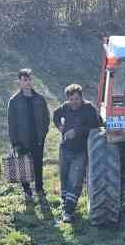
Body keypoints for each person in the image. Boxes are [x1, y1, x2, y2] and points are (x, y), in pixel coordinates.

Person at [51, 83, 103, 222]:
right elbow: (55, 115)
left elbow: (96, 125)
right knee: (64, 177)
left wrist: (77, 131)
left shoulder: (89, 109)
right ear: (67, 99)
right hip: (65, 148)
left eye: (76, 99)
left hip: (81, 151)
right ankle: (65, 204)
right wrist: (60, 126)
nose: (74, 102)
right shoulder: (65, 107)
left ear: (81, 97)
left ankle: (68, 211)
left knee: (75, 180)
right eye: (71, 99)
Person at [6, 68, 50, 201]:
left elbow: (46, 118)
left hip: (38, 138)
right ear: (19, 81)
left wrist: (43, 134)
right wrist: (15, 142)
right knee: (23, 165)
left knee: (38, 164)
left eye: (30, 79)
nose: (28, 82)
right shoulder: (14, 101)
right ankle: (27, 191)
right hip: (22, 139)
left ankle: (39, 188)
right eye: (25, 80)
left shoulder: (40, 99)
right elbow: (11, 123)